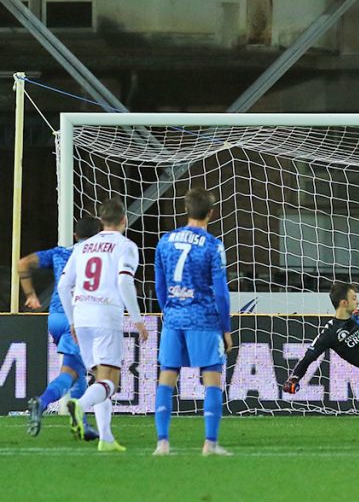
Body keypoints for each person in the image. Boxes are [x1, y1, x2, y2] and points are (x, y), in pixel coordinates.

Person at [59, 198, 148, 452]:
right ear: (124, 220)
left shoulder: (82, 247)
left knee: (100, 378)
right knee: (111, 381)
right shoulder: (126, 246)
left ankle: (106, 439)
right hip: (106, 316)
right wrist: (137, 319)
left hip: (81, 316)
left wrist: (72, 321)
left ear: (100, 221)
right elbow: (124, 282)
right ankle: (79, 405)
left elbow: (63, 286)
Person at [152, 188, 233, 457]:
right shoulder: (212, 245)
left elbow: (159, 285)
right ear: (211, 213)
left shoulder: (165, 241)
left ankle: (162, 443)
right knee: (212, 378)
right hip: (204, 319)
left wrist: (169, 310)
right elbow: (221, 293)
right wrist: (226, 328)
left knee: (167, 377)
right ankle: (210, 443)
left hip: (174, 319)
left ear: (186, 209)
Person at [22, 216, 103, 439]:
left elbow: (23, 263)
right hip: (77, 318)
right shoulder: (98, 255)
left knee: (77, 369)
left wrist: (31, 295)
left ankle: (80, 424)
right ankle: (42, 402)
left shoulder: (59, 252)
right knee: (70, 372)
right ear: (99, 235)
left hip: (55, 317)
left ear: (75, 235)